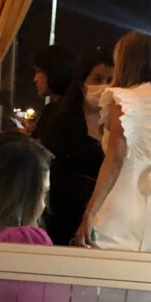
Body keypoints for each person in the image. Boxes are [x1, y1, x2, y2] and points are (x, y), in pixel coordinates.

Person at [74, 31, 151, 252]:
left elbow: (115, 159)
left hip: (121, 204)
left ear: (126, 60)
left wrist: (90, 212)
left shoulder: (124, 98)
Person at [41, 47, 114, 245]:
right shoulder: (61, 120)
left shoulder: (119, 124)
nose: (104, 87)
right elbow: (51, 167)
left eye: (110, 80)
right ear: (82, 83)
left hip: (107, 215)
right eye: (97, 79)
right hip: (66, 212)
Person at [31, 44, 77, 147]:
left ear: (54, 71)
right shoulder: (74, 107)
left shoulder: (56, 112)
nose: (35, 79)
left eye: (39, 72)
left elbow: (43, 150)